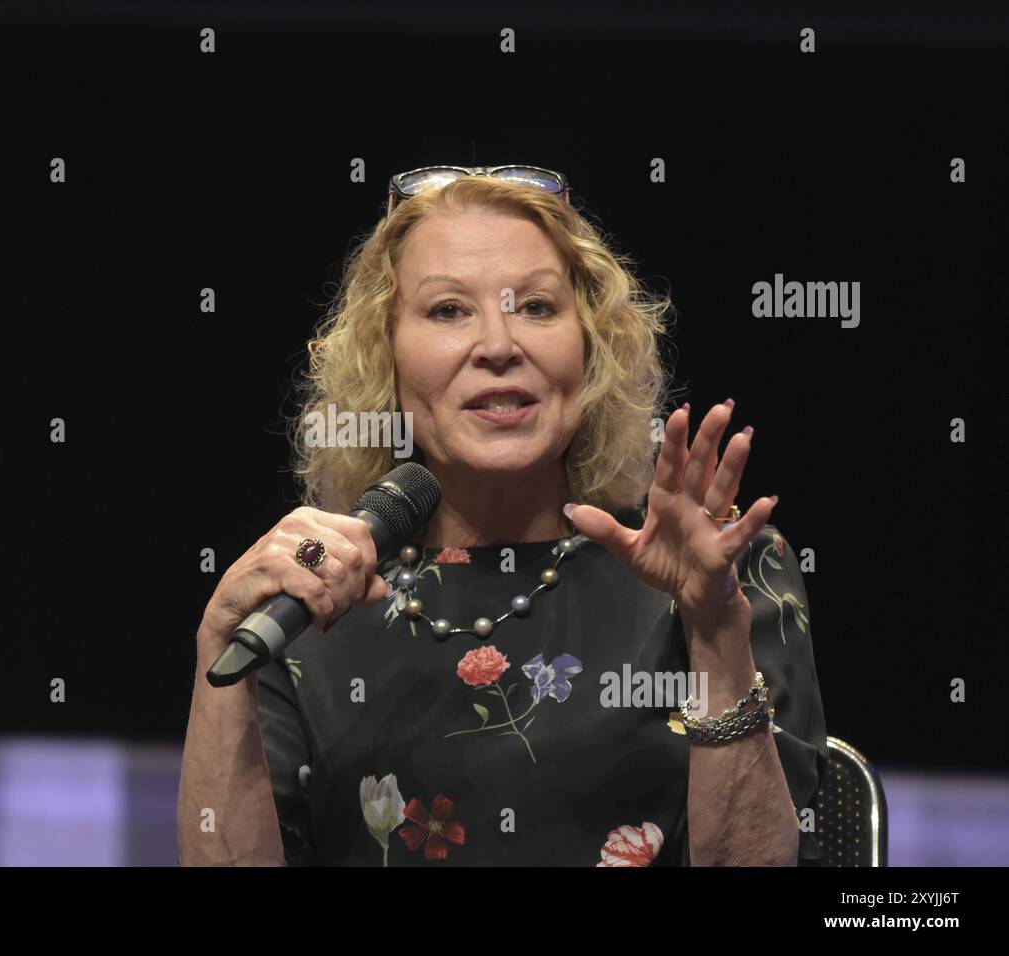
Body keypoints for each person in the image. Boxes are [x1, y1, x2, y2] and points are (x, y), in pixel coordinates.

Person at [177, 165, 828, 866]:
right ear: (384, 354)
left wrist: (713, 628)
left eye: (537, 308)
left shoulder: (726, 570)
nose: (497, 344)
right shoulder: (307, 600)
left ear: (592, 349)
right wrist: (220, 639)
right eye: (449, 310)